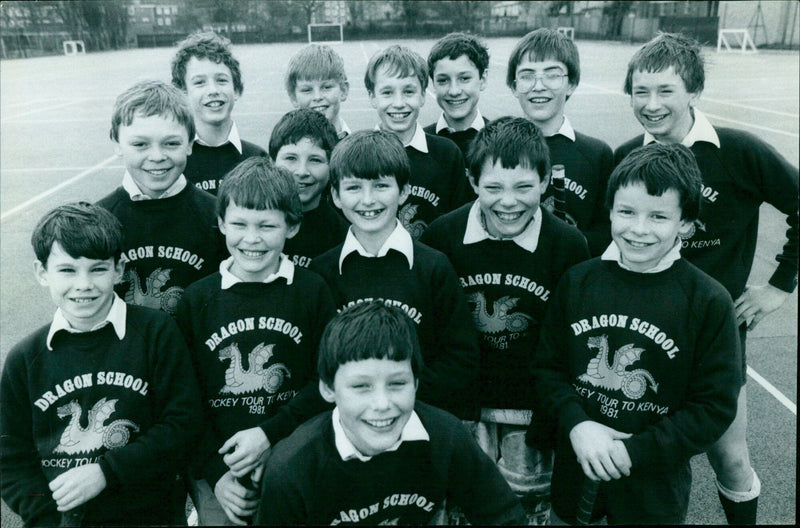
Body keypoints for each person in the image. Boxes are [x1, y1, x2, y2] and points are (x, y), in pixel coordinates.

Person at [614, 32, 799, 525]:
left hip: (715, 332)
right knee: (646, 448)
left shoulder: (738, 151)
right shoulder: (627, 157)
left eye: (665, 91)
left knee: (729, 455)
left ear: (693, 91)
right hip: (645, 327)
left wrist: (780, 285)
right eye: (640, 92)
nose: (651, 105)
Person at [531, 143, 741, 524]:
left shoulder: (708, 300)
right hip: (577, 467)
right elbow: (547, 370)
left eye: (658, 216)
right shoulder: (579, 281)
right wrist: (577, 425)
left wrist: (635, 451)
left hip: (654, 488)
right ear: (610, 210)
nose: (639, 229)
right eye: (626, 212)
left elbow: (714, 407)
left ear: (686, 224)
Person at [421, 117, 590, 524]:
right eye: (493, 187)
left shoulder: (567, 245)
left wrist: (551, 417)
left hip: (531, 405)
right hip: (463, 403)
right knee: (460, 503)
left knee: (526, 506)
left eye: (523, 187)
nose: (508, 201)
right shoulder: (442, 236)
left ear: (546, 180)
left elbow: (568, 342)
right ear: (472, 180)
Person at [0, 202, 202, 526]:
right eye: (67, 270)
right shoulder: (25, 359)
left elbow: (182, 424)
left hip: (151, 515)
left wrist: (107, 472)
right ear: (42, 273)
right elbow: (11, 458)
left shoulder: (156, 333)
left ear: (119, 269)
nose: (84, 285)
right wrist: (47, 517)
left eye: (97, 269)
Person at [255, 300, 526, 525]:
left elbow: (504, 517)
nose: (382, 403)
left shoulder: (445, 436)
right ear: (328, 389)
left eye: (397, 384)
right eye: (362, 386)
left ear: (416, 383)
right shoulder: (293, 468)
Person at [175, 158, 336, 525]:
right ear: (220, 224)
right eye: (239, 224)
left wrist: (269, 435)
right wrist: (215, 474)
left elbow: (326, 383)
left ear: (291, 227)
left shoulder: (312, 292)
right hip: (222, 473)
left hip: (296, 459)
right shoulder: (197, 301)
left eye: (267, 225)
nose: (252, 238)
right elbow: (184, 400)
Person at [309, 130, 480, 420]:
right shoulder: (322, 271)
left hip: (421, 421)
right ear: (335, 196)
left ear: (403, 191)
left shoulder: (434, 267)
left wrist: (396, 401)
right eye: (353, 188)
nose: (367, 200)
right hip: (348, 423)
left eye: (380, 186)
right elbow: (316, 363)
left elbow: (460, 358)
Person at [98, 80, 226, 317]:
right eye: (140, 144)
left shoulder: (217, 215)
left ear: (190, 143)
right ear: (116, 142)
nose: (157, 156)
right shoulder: (97, 221)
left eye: (171, 143)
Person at [507, 29, 613, 256]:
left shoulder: (597, 154)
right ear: (515, 86)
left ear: (572, 83)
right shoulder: (496, 149)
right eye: (527, 75)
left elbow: (608, 228)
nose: (538, 86)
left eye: (552, 74)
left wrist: (570, 243)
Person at [365, 44, 473, 239]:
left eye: (409, 91)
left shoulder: (447, 154)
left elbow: (459, 225)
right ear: (372, 96)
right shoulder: (356, 155)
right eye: (387, 92)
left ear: (423, 95)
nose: (398, 103)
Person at [171, 31, 267, 195]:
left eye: (221, 80)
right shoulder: (174, 161)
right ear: (182, 93)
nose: (213, 90)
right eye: (200, 82)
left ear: (236, 89)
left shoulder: (257, 158)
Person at [269, 108, 349, 268]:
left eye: (315, 160)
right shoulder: (253, 222)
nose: (302, 172)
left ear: (331, 167)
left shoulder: (343, 235)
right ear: (272, 162)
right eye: (291, 158)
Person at [424, 32, 491, 158]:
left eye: (464, 78)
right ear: (433, 83)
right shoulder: (421, 143)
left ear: (483, 79)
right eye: (443, 80)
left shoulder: (502, 140)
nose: (454, 91)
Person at [285, 43, 351, 139]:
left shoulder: (359, 148)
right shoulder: (286, 149)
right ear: (293, 97)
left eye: (327, 87)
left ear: (343, 90)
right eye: (307, 90)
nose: (317, 97)